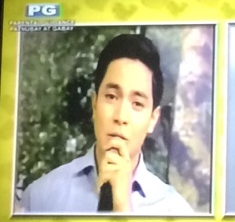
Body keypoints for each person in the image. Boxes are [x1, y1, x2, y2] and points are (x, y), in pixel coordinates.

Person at [18, 34, 193, 214]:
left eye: (137, 103)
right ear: (94, 104)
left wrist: (123, 209)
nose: (121, 116)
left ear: (152, 120)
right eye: (111, 96)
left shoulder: (175, 211)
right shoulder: (40, 198)